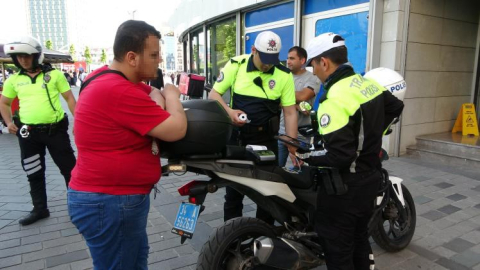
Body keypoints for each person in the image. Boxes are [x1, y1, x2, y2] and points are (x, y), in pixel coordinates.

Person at [67, 20, 187, 269]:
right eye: (154, 55)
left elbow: (152, 95)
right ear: (132, 57)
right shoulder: (118, 90)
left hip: (110, 200)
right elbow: (176, 128)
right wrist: (173, 94)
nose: (159, 60)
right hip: (110, 202)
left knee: (133, 261)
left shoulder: (105, 77)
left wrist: (157, 97)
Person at [302, 32, 404, 270]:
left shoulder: (335, 97)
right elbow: (396, 106)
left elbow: (339, 156)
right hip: (370, 179)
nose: (313, 72)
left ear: (324, 62)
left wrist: (306, 158)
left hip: (343, 189)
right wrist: (372, 136)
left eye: (314, 65)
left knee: (339, 251)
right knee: (359, 239)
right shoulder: (367, 84)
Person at [209, 30, 298, 223]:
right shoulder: (236, 65)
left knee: (268, 191)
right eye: (264, 58)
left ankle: (265, 236)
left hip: (266, 140)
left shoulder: (284, 74)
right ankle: (232, 238)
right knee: (234, 191)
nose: (267, 65)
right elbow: (214, 96)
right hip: (238, 139)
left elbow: (290, 112)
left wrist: (292, 145)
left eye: (271, 60)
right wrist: (229, 112)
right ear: (253, 50)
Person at [0, 36, 77, 225]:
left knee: (70, 170)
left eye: (27, 56)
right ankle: (40, 209)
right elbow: (4, 102)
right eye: (19, 57)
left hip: (55, 131)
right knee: (33, 172)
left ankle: (77, 207)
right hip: (28, 134)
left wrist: (80, 122)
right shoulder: (14, 80)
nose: (23, 60)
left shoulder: (55, 75)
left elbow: (69, 99)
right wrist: (8, 122)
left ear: (37, 56)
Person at [278, 46, 321, 168]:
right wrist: (296, 106)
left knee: (299, 169)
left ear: (302, 61)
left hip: (302, 135)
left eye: (292, 58)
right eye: (287, 58)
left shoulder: (313, 77)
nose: (288, 61)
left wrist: (283, 96)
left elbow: (304, 95)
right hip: (282, 132)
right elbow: (276, 100)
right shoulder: (283, 76)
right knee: (276, 170)